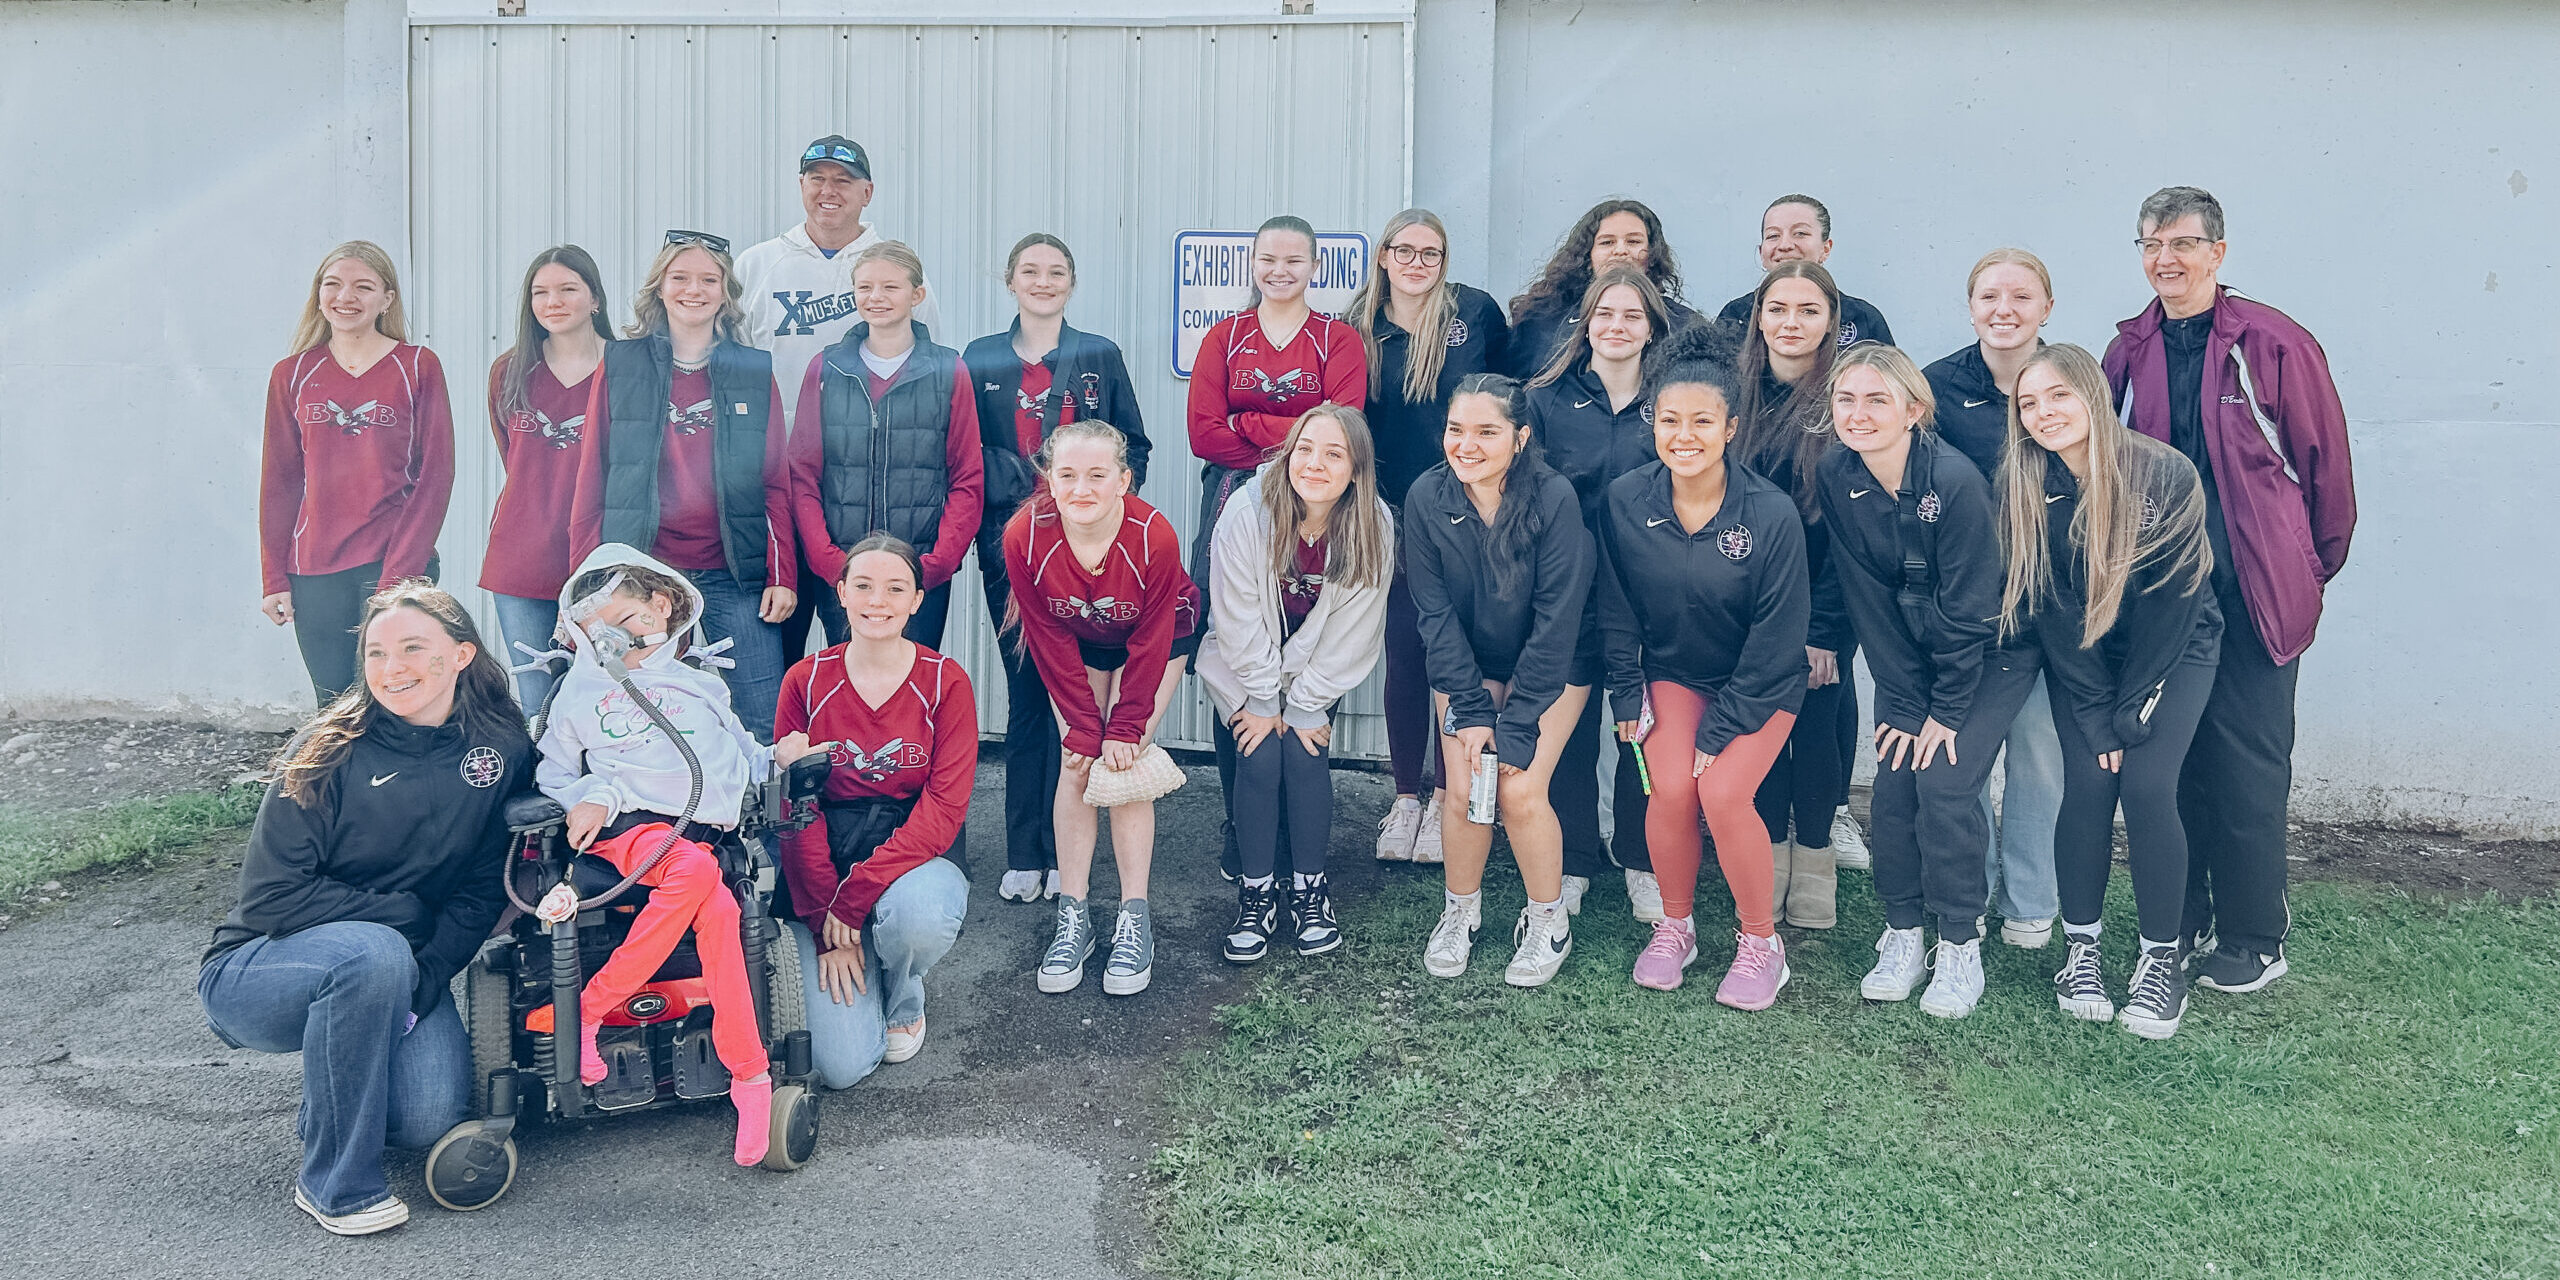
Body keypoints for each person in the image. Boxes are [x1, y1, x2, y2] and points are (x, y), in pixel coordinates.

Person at [199, 583, 532, 1236]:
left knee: (429, 1119)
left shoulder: (500, 749)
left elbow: (481, 891)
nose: (392, 668)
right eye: (377, 653)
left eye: (413, 647)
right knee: (371, 953)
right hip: (258, 970)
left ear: (462, 654)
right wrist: (403, 917)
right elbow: (271, 898)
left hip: (398, 969)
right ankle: (336, 1186)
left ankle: (334, 1092)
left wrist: (428, 978)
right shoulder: (327, 750)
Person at [2101, 186, 2355, 994]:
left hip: (2251, 599)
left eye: (2180, 243)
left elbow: (2326, 480)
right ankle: (2189, 917)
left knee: (2247, 767)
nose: (2163, 259)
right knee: (2177, 765)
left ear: (2217, 252)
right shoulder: (2126, 351)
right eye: (2149, 244)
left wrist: (2301, 572)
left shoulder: (2274, 344)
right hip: (2163, 600)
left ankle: (2253, 935)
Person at [534, 548, 815, 1165]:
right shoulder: (581, 691)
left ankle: (751, 1077)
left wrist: (779, 758)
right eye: (599, 627)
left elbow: (738, 755)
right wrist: (591, 796)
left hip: (701, 835)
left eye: (629, 617)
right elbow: (553, 773)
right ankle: (591, 1006)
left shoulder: (699, 685)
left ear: (663, 606)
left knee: (715, 907)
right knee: (694, 871)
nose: (617, 637)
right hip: (626, 829)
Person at [2000, 344, 2221, 1039]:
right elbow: (2053, 612)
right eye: (2028, 403)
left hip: (2173, 651)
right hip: (2086, 662)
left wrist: (2132, 711)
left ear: (2093, 395)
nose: (2044, 414)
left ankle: (2162, 962)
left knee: (2150, 786)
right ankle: (2082, 950)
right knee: (2089, 784)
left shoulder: (2163, 473)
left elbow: (2173, 605)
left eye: (2058, 395)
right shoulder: (2026, 483)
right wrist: (2099, 716)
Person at [1815, 345, 2042, 1020]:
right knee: (1891, 788)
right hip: (1909, 661)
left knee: (1944, 786)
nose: (1859, 414)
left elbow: (1973, 605)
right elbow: (1866, 596)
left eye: (1877, 400)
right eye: (1846, 400)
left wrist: (1943, 709)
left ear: (1913, 410)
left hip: (1991, 651)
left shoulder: (1955, 479)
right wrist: (1907, 703)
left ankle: (1959, 942)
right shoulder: (1838, 473)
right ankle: (1904, 933)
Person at [1597, 322, 1810, 1009]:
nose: (1682, 435)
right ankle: (1676, 926)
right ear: (1650, 422)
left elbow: (1780, 637)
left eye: (1701, 421)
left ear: (1730, 428)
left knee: (1721, 793)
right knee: (1673, 789)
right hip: (1673, 675)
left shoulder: (1770, 514)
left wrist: (1721, 732)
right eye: (1668, 420)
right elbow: (1617, 607)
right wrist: (1627, 693)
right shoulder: (1626, 500)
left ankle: (1761, 944)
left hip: (1761, 683)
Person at [962, 233, 1152, 904]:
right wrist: (1007, 482)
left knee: (1077, 689)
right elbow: (965, 455)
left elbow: (1137, 448)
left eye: (1056, 272)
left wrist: (1104, 518)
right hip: (1010, 548)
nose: (1043, 281)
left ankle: (1072, 846)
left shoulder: (1098, 354)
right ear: (1010, 280)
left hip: (1088, 551)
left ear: (1071, 282)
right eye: (1030, 271)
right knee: (1026, 691)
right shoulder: (979, 357)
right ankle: (1025, 850)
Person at [1186, 214, 1367, 874]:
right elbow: (1205, 436)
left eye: (1294, 260)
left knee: (1314, 643)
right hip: (1235, 501)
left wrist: (1253, 422)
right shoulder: (1225, 337)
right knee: (1239, 652)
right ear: (1253, 264)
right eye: (1269, 259)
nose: (1280, 271)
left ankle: (1299, 832)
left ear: (1314, 267)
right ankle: (1244, 822)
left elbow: (1345, 428)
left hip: (1318, 503)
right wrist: (1298, 433)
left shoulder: (1336, 339)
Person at [1404, 374, 1595, 988]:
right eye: (1457, 430)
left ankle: (1548, 919)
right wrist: (1473, 708)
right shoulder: (1427, 496)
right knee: (1463, 790)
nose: (1468, 445)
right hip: (1470, 667)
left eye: (1487, 431)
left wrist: (1515, 723)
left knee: (1516, 790)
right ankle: (1461, 909)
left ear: (1520, 438)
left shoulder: (1554, 496)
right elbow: (1432, 614)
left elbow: (1558, 617)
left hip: (1555, 664)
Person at [570, 231, 797, 741]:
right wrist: (586, 585)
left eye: (708, 279)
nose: (694, 289)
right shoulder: (621, 364)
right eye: (680, 278)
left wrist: (782, 575)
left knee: (765, 718)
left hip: (732, 572)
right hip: (642, 574)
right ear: (660, 288)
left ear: (725, 292)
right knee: (637, 714)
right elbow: (592, 479)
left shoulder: (753, 370)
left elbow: (775, 482)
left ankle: (768, 820)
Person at [1003, 422, 1199, 997]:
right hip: (1075, 642)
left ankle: (1133, 917)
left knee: (1124, 764)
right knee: (1077, 762)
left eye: (1097, 475)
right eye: (1066, 475)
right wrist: (1086, 729)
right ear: (1048, 479)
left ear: (1123, 479)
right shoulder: (1024, 535)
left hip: (1155, 639)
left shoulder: (1152, 536)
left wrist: (1127, 724)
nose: (1081, 488)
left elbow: (1153, 636)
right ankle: (1075, 915)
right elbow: (1045, 637)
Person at [775, 533, 976, 1084]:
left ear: (917, 600)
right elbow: (796, 808)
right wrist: (823, 921)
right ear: (840, 592)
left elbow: (942, 809)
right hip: (824, 867)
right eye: (863, 585)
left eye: (895, 588)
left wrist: (855, 900)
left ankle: (904, 994)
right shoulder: (805, 680)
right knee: (841, 1067)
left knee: (918, 918)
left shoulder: (946, 681)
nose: (877, 601)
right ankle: (850, 948)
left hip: (911, 859)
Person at [1345, 208, 1510, 865]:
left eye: (1431, 253)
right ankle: (1406, 798)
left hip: (1468, 508)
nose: (1417, 263)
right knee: (1407, 649)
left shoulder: (1476, 314)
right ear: (1384, 255)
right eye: (1404, 251)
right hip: (1389, 509)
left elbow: (1509, 398)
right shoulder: (1356, 327)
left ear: (1445, 260)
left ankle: (1451, 795)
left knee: (1458, 652)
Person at [1199, 405, 1394, 962]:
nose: (1315, 463)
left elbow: (1355, 630)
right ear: (1288, 453)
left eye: (1334, 454)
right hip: (1243, 663)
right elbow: (1234, 618)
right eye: (1305, 448)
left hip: (1315, 671)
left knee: (1305, 753)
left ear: (1356, 469)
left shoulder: (1372, 523)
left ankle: (1311, 889)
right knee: (1259, 754)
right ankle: (1256, 894)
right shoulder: (1245, 511)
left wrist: (1306, 703)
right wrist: (1263, 699)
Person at [1922, 248, 2066, 949]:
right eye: (1989, 296)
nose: (2003, 310)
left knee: (2040, 751)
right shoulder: (1938, 387)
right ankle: (1966, 890)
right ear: (1971, 306)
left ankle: (2032, 899)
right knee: (1965, 754)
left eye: (2021, 296)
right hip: (1967, 607)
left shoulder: (2069, 380)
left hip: (2051, 602)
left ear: (2047, 306)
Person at [1528, 267, 1678, 922]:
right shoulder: (1546, 399)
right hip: (1568, 596)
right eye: (1605, 314)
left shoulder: (1672, 400)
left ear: (1652, 328)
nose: (1617, 327)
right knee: (1568, 738)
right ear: (1586, 322)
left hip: (1652, 599)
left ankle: (1642, 859)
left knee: (1641, 730)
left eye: (1632, 316)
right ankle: (1572, 862)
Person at [259, 241, 455, 705]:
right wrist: (274, 577)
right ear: (318, 295)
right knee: (335, 705)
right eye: (333, 285)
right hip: (314, 568)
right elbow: (280, 482)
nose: (346, 297)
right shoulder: (293, 374)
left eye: (363, 287)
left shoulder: (416, 366)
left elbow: (435, 476)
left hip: (393, 560)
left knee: (398, 698)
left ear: (386, 299)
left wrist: (399, 578)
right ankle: (339, 780)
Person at [1729, 261, 1854, 926]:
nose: (1792, 323)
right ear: (1759, 318)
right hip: (1746, 602)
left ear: (1831, 321)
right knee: (1760, 731)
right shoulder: (1733, 392)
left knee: (1815, 734)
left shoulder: (1845, 398)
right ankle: (1769, 853)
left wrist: (1827, 629)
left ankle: (1815, 858)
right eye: (1779, 309)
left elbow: (1852, 529)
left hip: (1823, 603)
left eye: (1809, 310)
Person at [786, 239, 983, 652]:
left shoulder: (949, 369)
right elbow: (802, 472)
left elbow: (966, 475)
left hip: (918, 570)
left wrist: (937, 563)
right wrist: (828, 561)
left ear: (917, 295)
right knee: (846, 684)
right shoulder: (827, 368)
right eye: (865, 288)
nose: (876, 297)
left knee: (912, 684)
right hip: (843, 570)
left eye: (891, 287)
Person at [482, 245, 612, 715]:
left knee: (605, 704)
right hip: (521, 560)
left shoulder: (627, 367)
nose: (552, 301)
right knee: (540, 710)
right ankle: (550, 792)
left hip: (603, 562)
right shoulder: (510, 371)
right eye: (540, 292)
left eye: (567, 289)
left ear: (595, 298)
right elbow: (514, 460)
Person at [735, 135, 941, 406]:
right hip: (777, 442)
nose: (828, 190)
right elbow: (734, 364)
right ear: (801, 185)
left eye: (843, 181)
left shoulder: (897, 268)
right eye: (817, 179)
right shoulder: (755, 264)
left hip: (873, 440)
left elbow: (929, 359)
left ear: (867, 192)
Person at [1506, 198, 1695, 379]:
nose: (1621, 250)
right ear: (1587, 255)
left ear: (1653, 254)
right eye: (1607, 242)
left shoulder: (1683, 324)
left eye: (1633, 242)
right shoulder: (1542, 317)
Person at [1714, 195, 1896, 348]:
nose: (1785, 245)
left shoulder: (1862, 318)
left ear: (1826, 248)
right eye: (1773, 236)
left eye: (1800, 233)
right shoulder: (1735, 316)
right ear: (1762, 252)